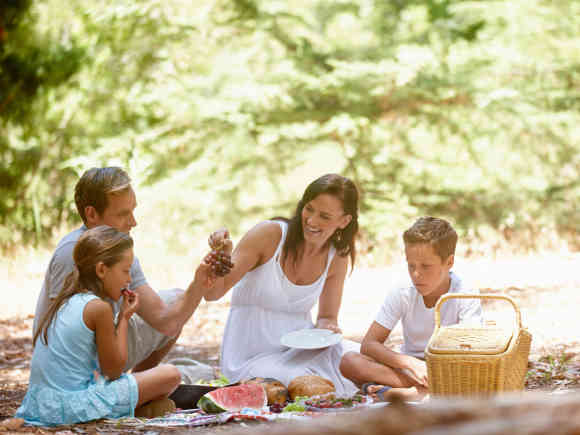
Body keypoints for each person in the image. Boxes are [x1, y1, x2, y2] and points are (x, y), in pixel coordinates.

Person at [33, 167, 223, 380]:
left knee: (175, 300)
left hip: (105, 347)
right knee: (173, 376)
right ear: (92, 214)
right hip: (71, 367)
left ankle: (136, 385)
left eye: (133, 211)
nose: (133, 222)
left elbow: (166, 321)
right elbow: (60, 338)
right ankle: (129, 389)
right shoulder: (71, 252)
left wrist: (199, 284)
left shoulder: (118, 249)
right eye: (123, 214)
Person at [16, 226, 201, 425]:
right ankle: (139, 408)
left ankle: (141, 407)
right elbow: (113, 371)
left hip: (40, 405)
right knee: (171, 374)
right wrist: (123, 319)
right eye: (125, 271)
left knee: (153, 380)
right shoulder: (98, 308)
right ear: (102, 270)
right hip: (72, 408)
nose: (129, 279)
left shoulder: (66, 300)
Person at [204, 174, 361, 395]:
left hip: (302, 351)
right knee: (310, 382)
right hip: (251, 357)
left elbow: (327, 317)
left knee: (361, 357)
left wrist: (328, 330)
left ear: (344, 221)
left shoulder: (337, 257)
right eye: (309, 209)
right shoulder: (270, 235)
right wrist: (221, 256)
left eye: (324, 216)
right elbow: (212, 293)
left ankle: (414, 390)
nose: (312, 221)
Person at [339, 216, 482, 401]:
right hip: (409, 370)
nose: (416, 274)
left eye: (426, 266)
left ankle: (405, 393)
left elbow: (473, 351)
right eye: (411, 265)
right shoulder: (403, 291)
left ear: (449, 262)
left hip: (450, 370)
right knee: (350, 362)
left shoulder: (465, 293)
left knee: (472, 376)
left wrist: (435, 370)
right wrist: (411, 363)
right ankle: (420, 392)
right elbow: (369, 344)